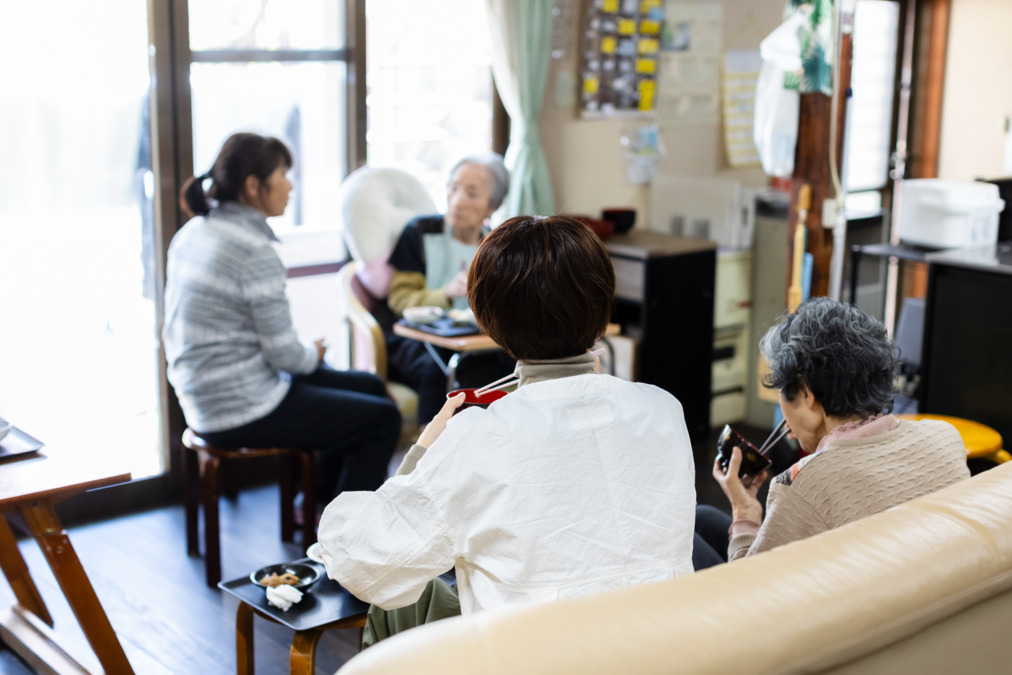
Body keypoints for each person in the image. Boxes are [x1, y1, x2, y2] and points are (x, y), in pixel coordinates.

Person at [317, 215, 697, 645]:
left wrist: (421, 452)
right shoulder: (663, 410)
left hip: (537, 656)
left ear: (488, 319)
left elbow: (362, 564)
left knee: (403, 598)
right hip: (664, 651)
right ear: (603, 303)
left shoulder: (478, 437)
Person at [163, 132, 401, 505]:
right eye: (282, 174)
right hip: (240, 405)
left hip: (200, 394)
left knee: (369, 387)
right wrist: (314, 353)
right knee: (382, 420)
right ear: (252, 186)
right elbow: (286, 358)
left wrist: (306, 356)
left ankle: (318, 506)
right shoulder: (253, 250)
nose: (290, 185)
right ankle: (345, 528)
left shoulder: (193, 231)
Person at [693, 297, 969, 568]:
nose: (788, 431)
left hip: (829, 596)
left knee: (689, 539)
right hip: (920, 582)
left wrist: (745, 512)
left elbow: (749, 585)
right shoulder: (945, 437)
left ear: (806, 393)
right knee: (702, 518)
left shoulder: (804, 484)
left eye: (781, 393)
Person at [380, 153, 513, 426]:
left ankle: (490, 442)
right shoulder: (419, 232)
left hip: (474, 340)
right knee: (439, 371)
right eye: (453, 188)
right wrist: (447, 294)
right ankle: (429, 447)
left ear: (492, 207)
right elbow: (400, 299)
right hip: (418, 339)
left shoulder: (496, 245)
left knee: (505, 365)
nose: (457, 201)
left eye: (471, 194)